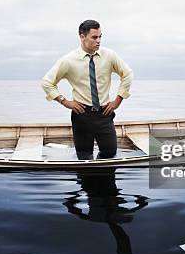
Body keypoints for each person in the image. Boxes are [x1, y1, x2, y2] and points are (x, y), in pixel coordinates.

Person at [41, 20, 134, 160]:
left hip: (105, 114)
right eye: (94, 37)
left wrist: (118, 100)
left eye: (100, 37)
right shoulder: (68, 60)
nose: (99, 41)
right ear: (82, 37)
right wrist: (64, 101)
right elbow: (47, 82)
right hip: (82, 115)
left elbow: (127, 74)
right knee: (84, 158)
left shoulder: (109, 55)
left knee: (110, 154)